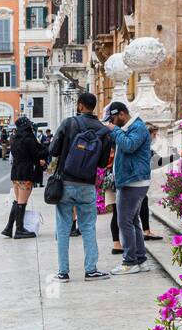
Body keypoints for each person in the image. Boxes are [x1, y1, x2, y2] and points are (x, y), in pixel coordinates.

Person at [47, 91, 111, 282]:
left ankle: (63, 272)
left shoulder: (69, 123)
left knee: (63, 228)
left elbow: (53, 150)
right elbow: (101, 163)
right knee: (88, 227)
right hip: (87, 185)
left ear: (81, 105)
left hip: (65, 183)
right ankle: (91, 270)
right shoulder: (103, 130)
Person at [102, 101, 153, 276]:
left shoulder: (137, 127)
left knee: (123, 222)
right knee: (132, 221)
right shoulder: (128, 128)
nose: (113, 122)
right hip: (131, 181)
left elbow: (129, 146)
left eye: (114, 119)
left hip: (133, 182)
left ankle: (129, 261)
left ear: (122, 114)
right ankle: (140, 259)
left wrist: (113, 130)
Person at [4, 116, 47, 240]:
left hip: (16, 172)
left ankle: (9, 227)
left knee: (18, 200)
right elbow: (36, 154)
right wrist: (47, 151)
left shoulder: (15, 138)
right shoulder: (28, 138)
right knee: (22, 202)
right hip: (25, 173)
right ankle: (19, 229)